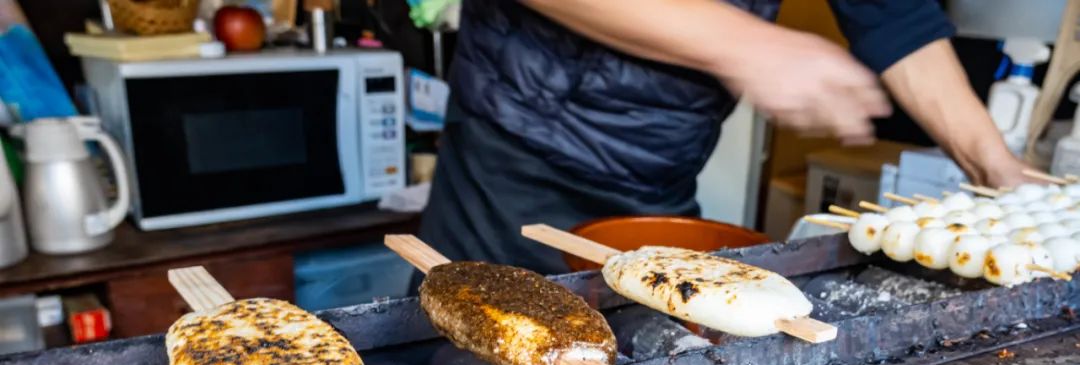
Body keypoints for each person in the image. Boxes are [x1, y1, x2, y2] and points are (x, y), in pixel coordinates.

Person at [416, 0, 1029, 276]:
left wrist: (1000, 170)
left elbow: (898, 20)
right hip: (516, 157)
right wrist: (747, 44)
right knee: (477, 358)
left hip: (660, 167)